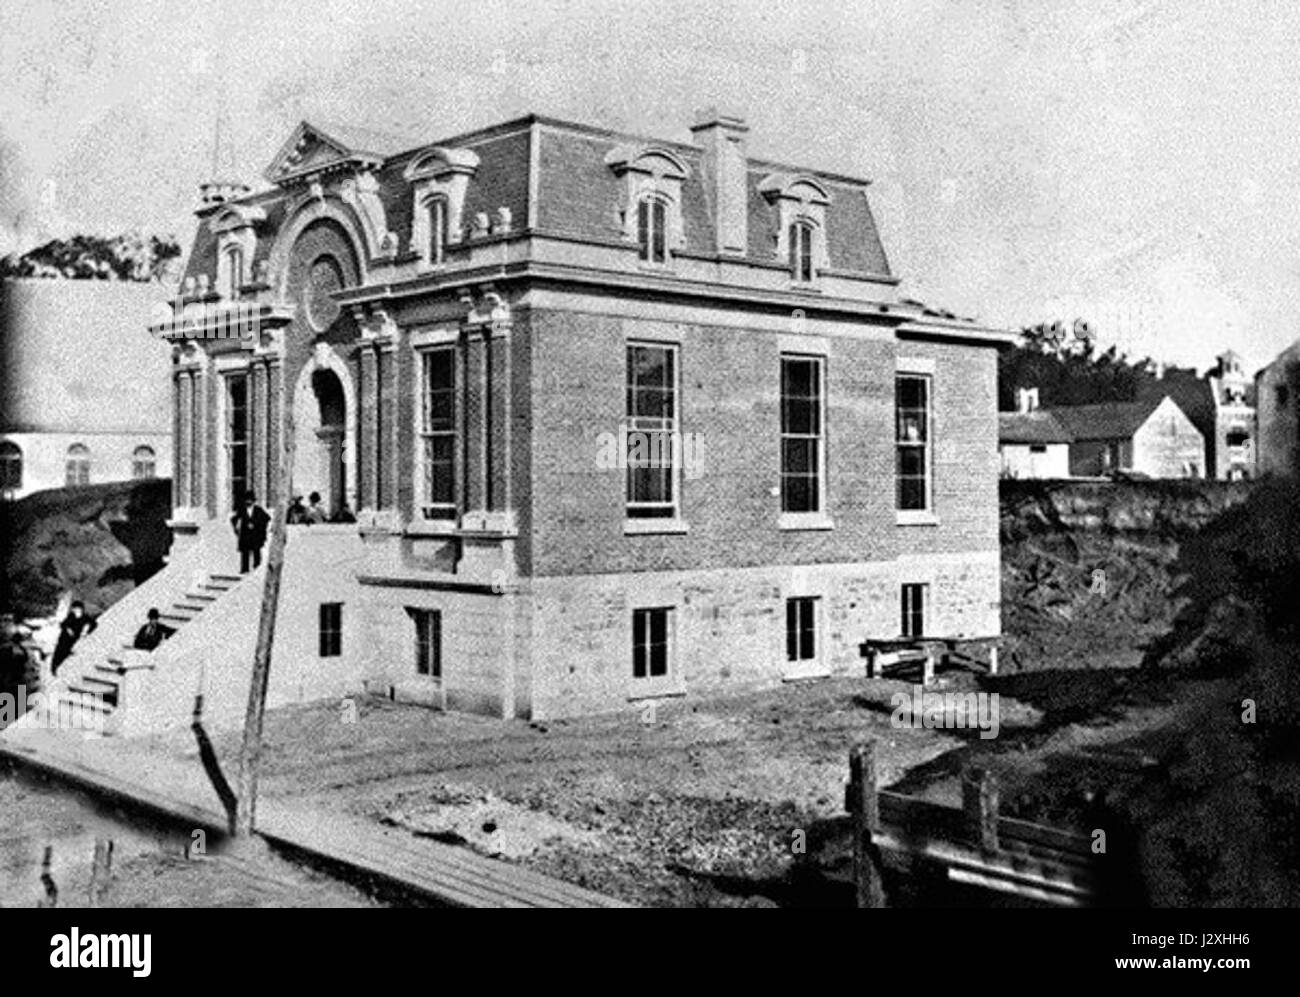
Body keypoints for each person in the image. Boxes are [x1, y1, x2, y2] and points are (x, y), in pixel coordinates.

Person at [51, 601, 97, 676]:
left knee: (66, 651)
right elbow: (63, 624)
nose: (74, 610)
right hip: (65, 637)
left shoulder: (85, 617)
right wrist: (68, 629)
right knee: (59, 652)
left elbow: (94, 624)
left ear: (81, 609)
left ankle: (60, 664)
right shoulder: (71, 616)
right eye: (74, 609)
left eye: (76, 609)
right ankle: (54, 667)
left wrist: (86, 632)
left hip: (74, 638)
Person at [230, 490, 271, 573]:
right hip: (245, 536)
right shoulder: (242, 510)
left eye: (250, 500)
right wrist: (236, 529)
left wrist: (257, 525)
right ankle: (244, 569)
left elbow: (267, 518)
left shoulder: (258, 510)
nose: (248, 501)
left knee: (256, 552)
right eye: (246, 500)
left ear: (253, 501)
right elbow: (233, 519)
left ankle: (257, 569)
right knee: (245, 553)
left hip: (255, 536)